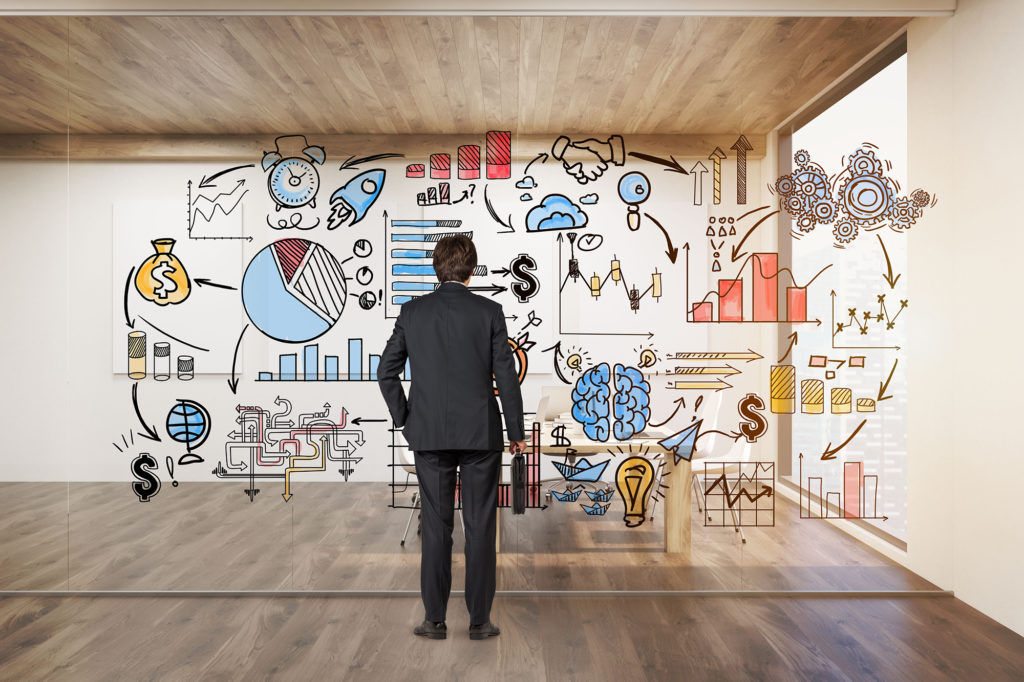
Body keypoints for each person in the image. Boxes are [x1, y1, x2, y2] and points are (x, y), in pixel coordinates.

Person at [377, 234, 526, 641]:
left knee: (438, 526)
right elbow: (506, 378)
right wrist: (516, 433)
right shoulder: (490, 311)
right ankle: (479, 622)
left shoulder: (412, 312)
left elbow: (385, 373)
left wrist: (407, 419)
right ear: (472, 268)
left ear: (436, 269)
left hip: (429, 436)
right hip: (481, 434)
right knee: (480, 527)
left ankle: (434, 620)